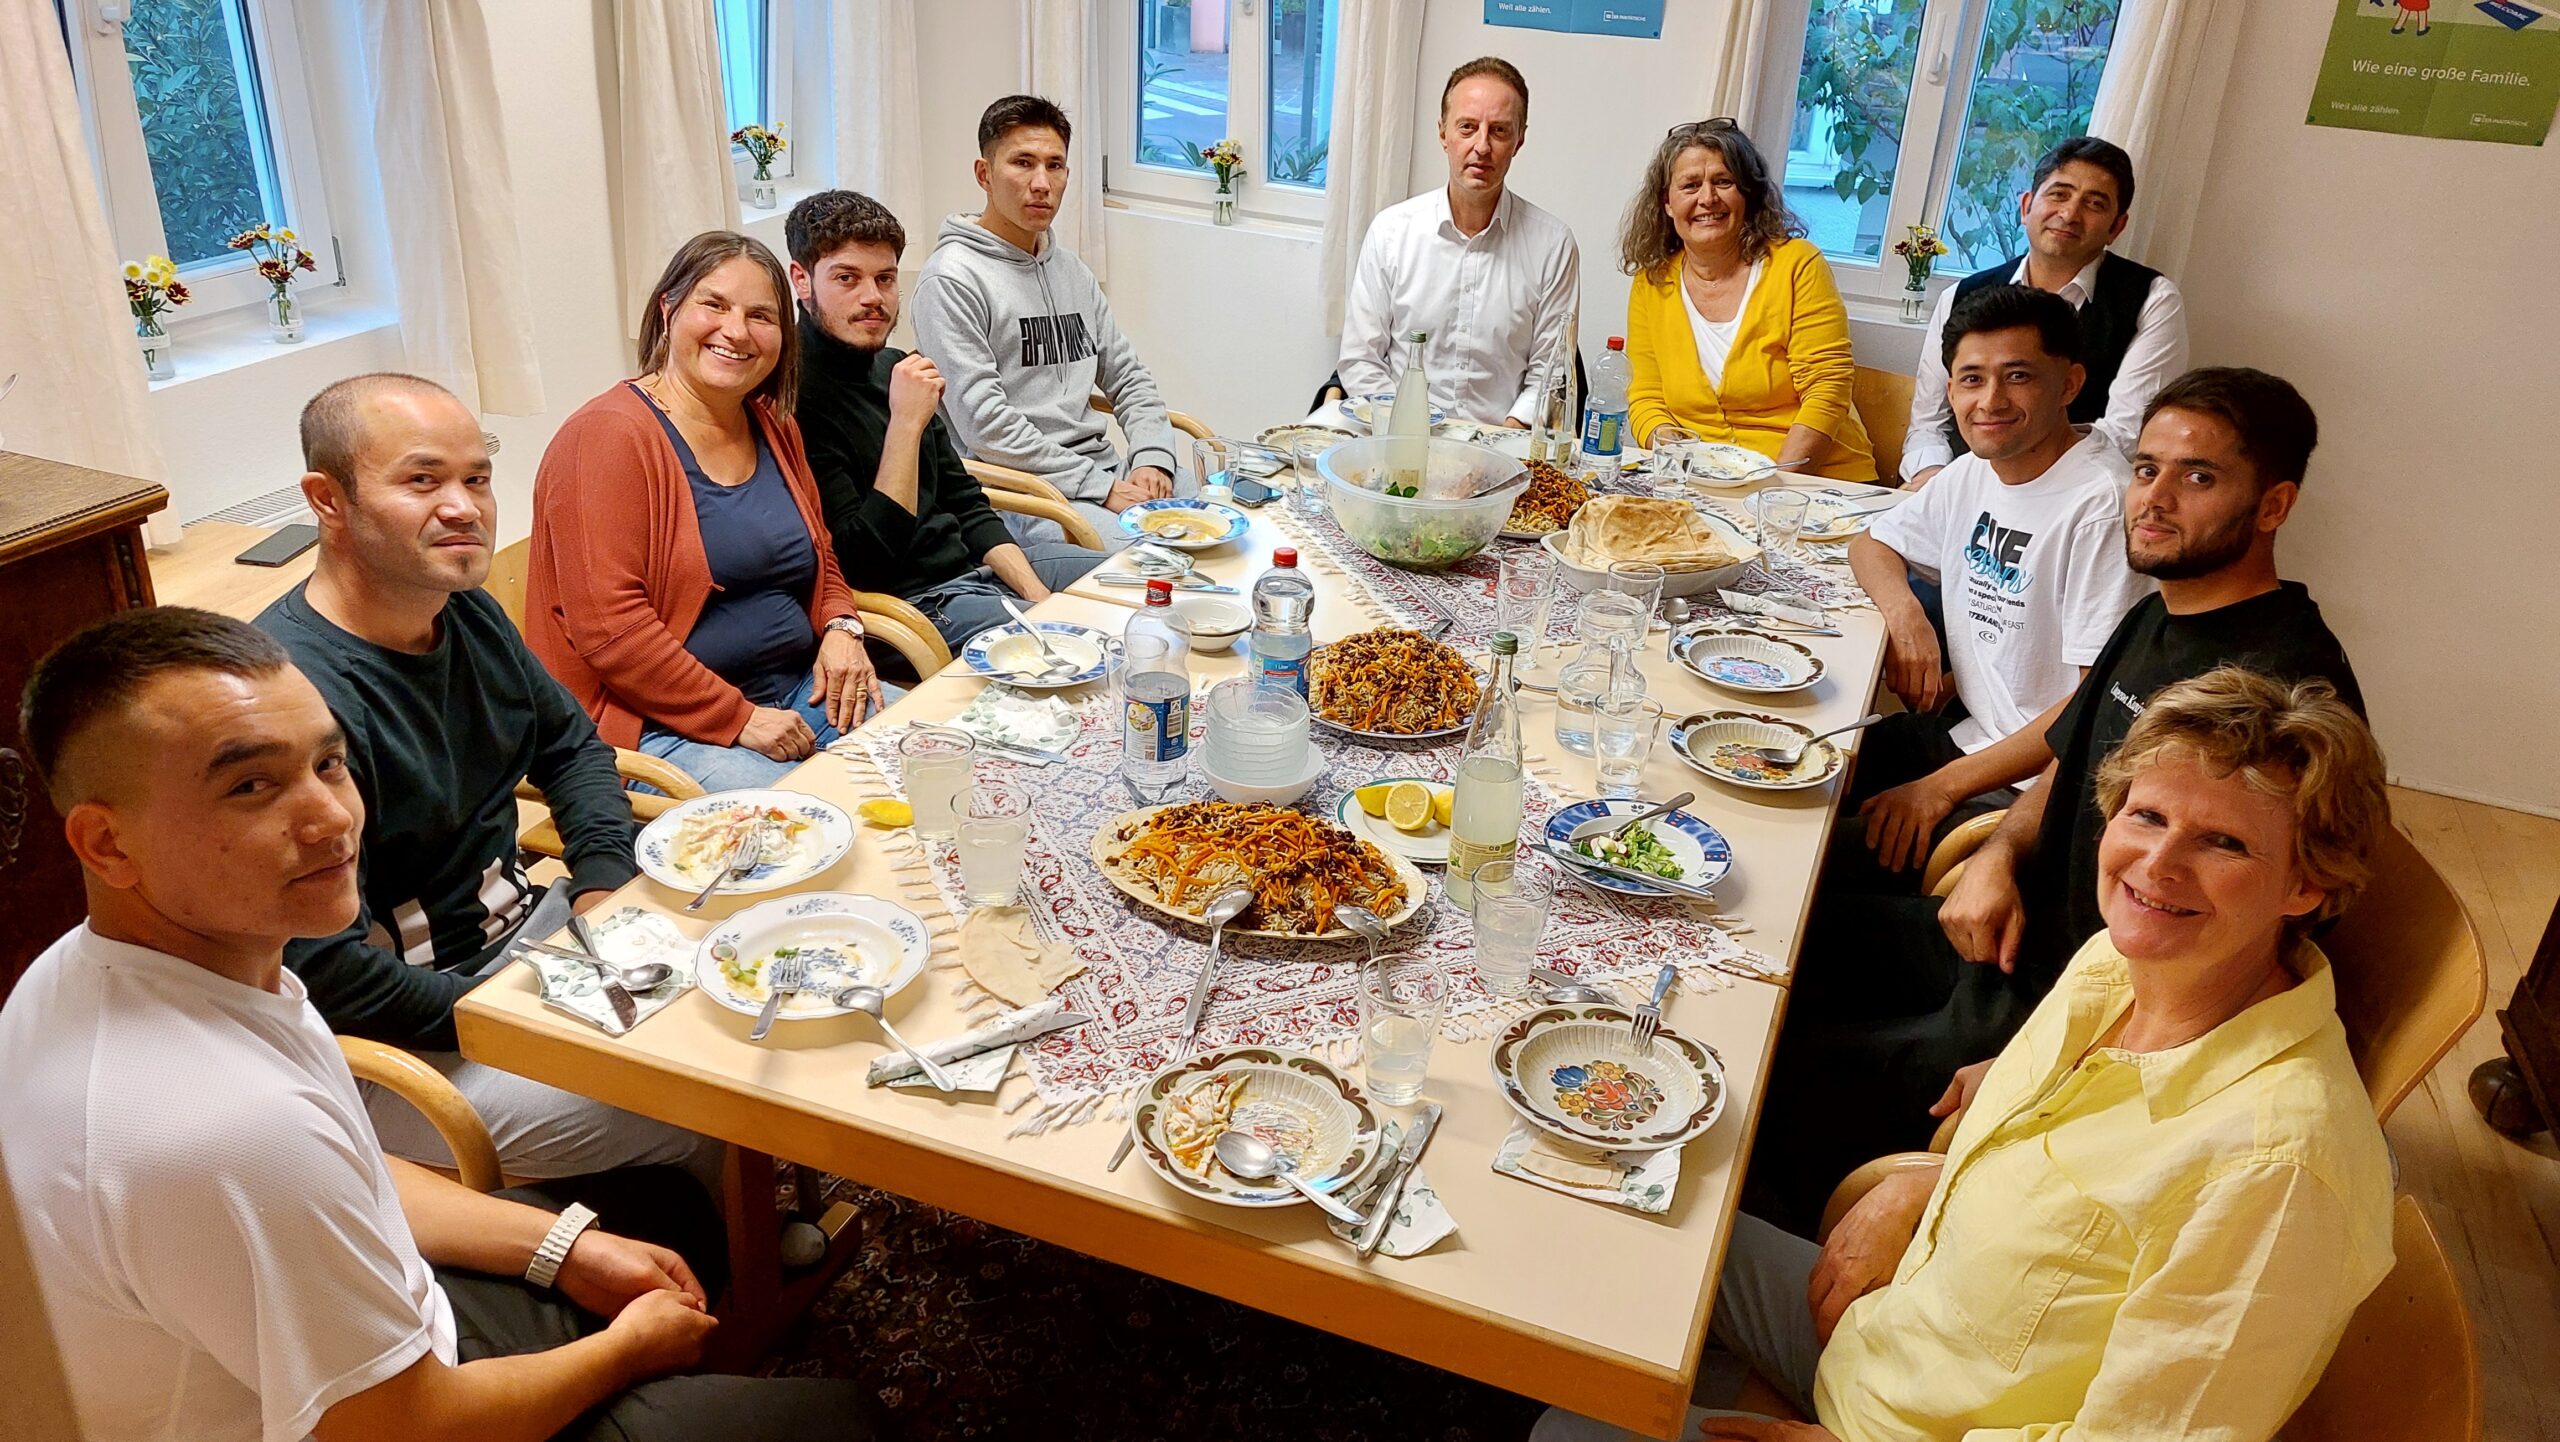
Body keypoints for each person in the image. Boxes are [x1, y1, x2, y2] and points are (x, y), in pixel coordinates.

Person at [2, 607, 887, 1442]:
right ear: (107, 843)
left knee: (664, 1212)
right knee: (839, 1418)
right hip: (401, 1414)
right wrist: (628, 1352)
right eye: (250, 786)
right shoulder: (227, 1127)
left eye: (329, 763)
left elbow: (355, 1168)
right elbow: (406, 1425)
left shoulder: (95, 969)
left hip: (394, 1337)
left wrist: (566, 1249)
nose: (332, 818)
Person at [1535, 667, 2396, 1442]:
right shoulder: (2120, 963)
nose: (2157, 865)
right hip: (1896, 1329)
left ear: (2307, 883)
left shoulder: (2279, 1168)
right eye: (2148, 816)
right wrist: (1923, 1186)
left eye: (2225, 843)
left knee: (1563, 1431)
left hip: (1904, 1425)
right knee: (1622, 1219)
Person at [1745, 366, 2363, 1233]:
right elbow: (2071, 755)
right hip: (2012, 935)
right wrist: (2000, 852)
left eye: (2198, 477)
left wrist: (2048, 1066)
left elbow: (2264, 955)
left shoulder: (2281, 695)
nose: (2154, 500)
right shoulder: (2161, 616)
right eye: (2146, 469)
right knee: (1769, 942)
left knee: (1768, 1078)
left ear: (2273, 506)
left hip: (2066, 1013)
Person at [255, 373, 719, 1185]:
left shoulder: (458, 608)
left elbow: (570, 748)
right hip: (406, 1038)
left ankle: (710, 1226)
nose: (463, 507)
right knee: (693, 1087)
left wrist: (600, 884)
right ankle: (697, 1238)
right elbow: (327, 972)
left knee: (741, 976)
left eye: (476, 479)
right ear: (328, 500)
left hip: (529, 944)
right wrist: (525, 1006)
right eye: (422, 480)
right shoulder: (295, 702)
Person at [525, 231, 886, 792]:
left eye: (760, 316)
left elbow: (822, 556)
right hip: (657, 729)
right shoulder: (605, 438)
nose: (736, 331)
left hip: (799, 693)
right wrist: (739, 719)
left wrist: (843, 627)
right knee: (801, 822)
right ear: (668, 310)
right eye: (714, 305)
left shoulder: (773, 422)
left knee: (941, 753)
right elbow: (612, 634)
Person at [1834, 282, 2152, 889]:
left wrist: (1939, 788)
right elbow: (1871, 544)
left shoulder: (2100, 506)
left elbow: (2093, 708)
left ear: (2070, 384)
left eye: (2018, 377)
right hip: (1966, 734)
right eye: (1971, 379)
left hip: (2028, 784)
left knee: (1817, 865)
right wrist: (1908, 617)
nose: (1990, 401)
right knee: (1786, 767)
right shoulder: (1972, 471)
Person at [785, 189, 1101, 646]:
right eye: (847, 278)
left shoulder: (896, 366)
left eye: (885, 278)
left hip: (976, 572)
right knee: (1083, 641)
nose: (873, 297)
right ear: (802, 280)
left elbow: (966, 502)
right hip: (911, 609)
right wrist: (905, 424)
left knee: (1135, 584)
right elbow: (864, 565)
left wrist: (1035, 595)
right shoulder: (795, 399)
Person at [911, 94, 1185, 545]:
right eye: (1023, 163)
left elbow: (1128, 376)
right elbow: (986, 427)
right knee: (1156, 559)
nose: (1041, 183)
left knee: (1227, 519)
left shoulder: (1071, 271)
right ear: (984, 174)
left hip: (1103, 473)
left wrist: (1152, 456)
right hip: (1024, 496)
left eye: (1054, 166)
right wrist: (1102, 488)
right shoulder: (951, 280)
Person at [1902, 137, 2187, 487]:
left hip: (2078, 492)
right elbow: (1929, 424)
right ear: (2026, 207)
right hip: (1954, 486)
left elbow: (2125, 436)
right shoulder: (1961, 296)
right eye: (2059, 194)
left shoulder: (2151, 300)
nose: (2069, 214)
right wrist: (1934, 480)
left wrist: (2010, 488)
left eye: (2094, 203)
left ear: (2116, 227)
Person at [1619, 121, 1876, 480]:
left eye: (1723, 181)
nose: (1707, 198)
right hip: (1703, 484)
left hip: (1812, 481)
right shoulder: (1652, 282)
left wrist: (1776, 487)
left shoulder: (1798, 264)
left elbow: (1826, 390)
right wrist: (1676, 462)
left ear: (1748, 194)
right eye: (1690, 185)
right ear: (1667, 203)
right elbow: (1647, 397)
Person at [1335, 57, 1580, 429]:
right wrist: (1407, 431)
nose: (1482, 146)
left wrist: (1503, 443)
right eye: (1467, 127)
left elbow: (1550, 376)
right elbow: (1360, 360)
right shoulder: (1391, 232)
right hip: (1398, 435)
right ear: (1442, 133)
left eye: (1499, 131)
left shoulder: (1553, 245)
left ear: (1519, 140)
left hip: (1502, 444)